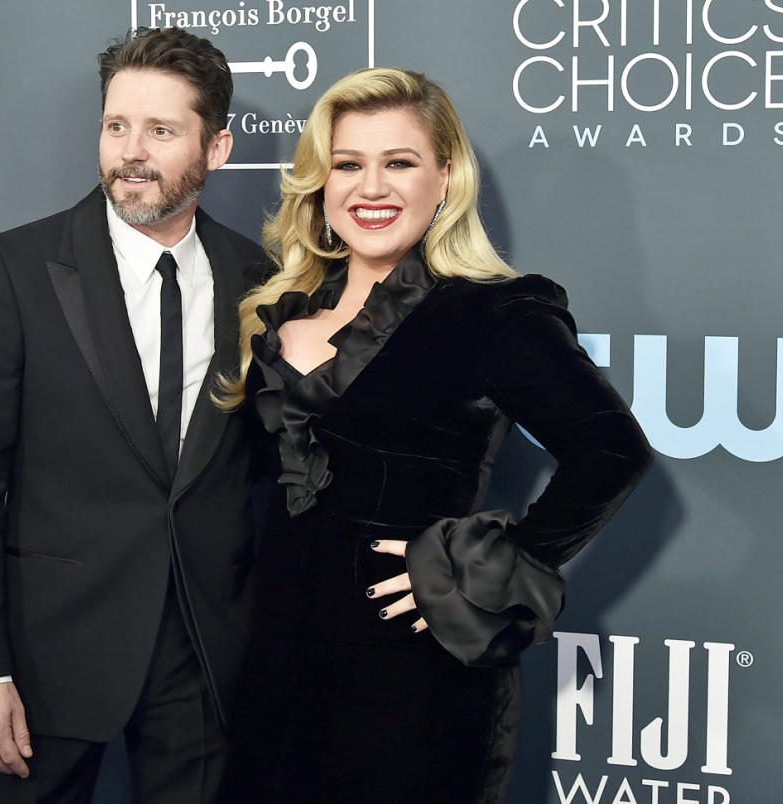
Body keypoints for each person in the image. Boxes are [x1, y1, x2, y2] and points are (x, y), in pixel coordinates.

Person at [219, 68, 653, 802]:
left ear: (445, 178)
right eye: (349, 164)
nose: (371, 187)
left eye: (400, 162)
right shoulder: (277, 317)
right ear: (322, 184)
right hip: (278, 673)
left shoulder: (492, 316)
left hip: (412, 682)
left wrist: (481, 568)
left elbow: (612, 451)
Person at [0, 27, 264, 803]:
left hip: (205, 658)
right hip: (47, 656)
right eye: (116, 126)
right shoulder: (13, 267)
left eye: (161, 130)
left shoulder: (261, 276)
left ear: (216, 149)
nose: (131, 152)